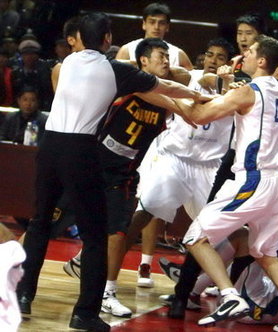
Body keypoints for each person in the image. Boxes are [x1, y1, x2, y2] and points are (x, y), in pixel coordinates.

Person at [15, 12, 204, 332]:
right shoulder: (115, 70)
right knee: (94, 237)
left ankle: (22, 296)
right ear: (106, 39)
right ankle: (85, 312)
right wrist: (199, 95)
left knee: (39, 224)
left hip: (49, 148)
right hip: (81, 150)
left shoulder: (68, 63)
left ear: (77, 39)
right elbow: (169, 86)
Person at [62, 37, 199, 318]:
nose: (166, 60)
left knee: (118, 233)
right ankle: (16, 268)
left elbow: (187, 75)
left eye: (168, 56)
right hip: (90, 162)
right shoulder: (124, 81)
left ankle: (106, 292)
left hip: (122, 173)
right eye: (160, 55)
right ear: (143, 61)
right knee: (48, 221)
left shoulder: (166, 93)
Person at [175, 35, 278, 331]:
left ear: (262, 61)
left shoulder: (249, 91)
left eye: (250, 51)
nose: (243, 54)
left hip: (253, 178)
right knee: (266, 254)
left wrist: (165, 95)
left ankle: (229, 295)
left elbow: (198, 115)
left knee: (195, 237)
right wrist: (228, 88)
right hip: (277, 182)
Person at [130, 37, 234, 288]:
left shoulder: (238, 90)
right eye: (210, 55)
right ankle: (100, 264)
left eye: (220, 57)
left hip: (209, 167)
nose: (213, 61)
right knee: (145, 210)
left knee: (225, 235)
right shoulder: (188, 77)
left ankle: (197, 287)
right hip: (174, 158)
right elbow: (146, 71)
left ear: (229, 63)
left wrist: (228, 82)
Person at [116, 2, 193, 69]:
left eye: (161, 23)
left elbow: (191, 82)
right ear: (144, 24)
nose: (156, 27)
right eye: (152, 22)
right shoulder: (127, 50)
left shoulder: (178, 54)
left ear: (167, 27)